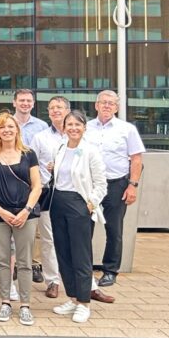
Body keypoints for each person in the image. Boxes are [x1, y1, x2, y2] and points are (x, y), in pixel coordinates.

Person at [0, 113, 42, 326]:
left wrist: (26, 210)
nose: (7, 130)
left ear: (17, 129)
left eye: (10, 126)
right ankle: (5, 301)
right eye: (2, 127)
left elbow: (37, 185)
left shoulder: (29, 154)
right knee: (2, 260)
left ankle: (25, 305)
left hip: (26, 214)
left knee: (25, 261)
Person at [50, 110, 108, 324]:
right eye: (69, 125)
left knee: (81, 255)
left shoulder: (90, 151)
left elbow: (102, 182)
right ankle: (73, 298)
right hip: (58, 203)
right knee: (63, 254)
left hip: (79, 204)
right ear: (63, 128)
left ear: (84, 127)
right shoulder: (61, 148)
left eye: (78, 124)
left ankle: (84, 302)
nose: (73, 128)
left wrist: (90, 204)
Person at [86, 90, 145, 288]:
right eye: (103, 102)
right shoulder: (85, 128)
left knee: (114, 229)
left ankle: (110, 270)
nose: (107, 106)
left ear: (117, 107)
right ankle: (84, 269)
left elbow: (136, 159)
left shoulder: (127, 129)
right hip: (90, 186)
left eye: (111, 103)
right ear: (96, 105)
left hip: (116, 184)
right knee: (85, 227)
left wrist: (132, 185)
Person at [27, 96, 70, 300]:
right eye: (52, 108)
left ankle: (78, 279)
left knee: (75, 238)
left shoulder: (78, 134)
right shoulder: (40, 137)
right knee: (48, 238)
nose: (55, 111)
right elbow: (32, 166)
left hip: (74, 193)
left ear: (67, 110)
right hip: (48, 192)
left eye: (59, 107)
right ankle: (53, 280)